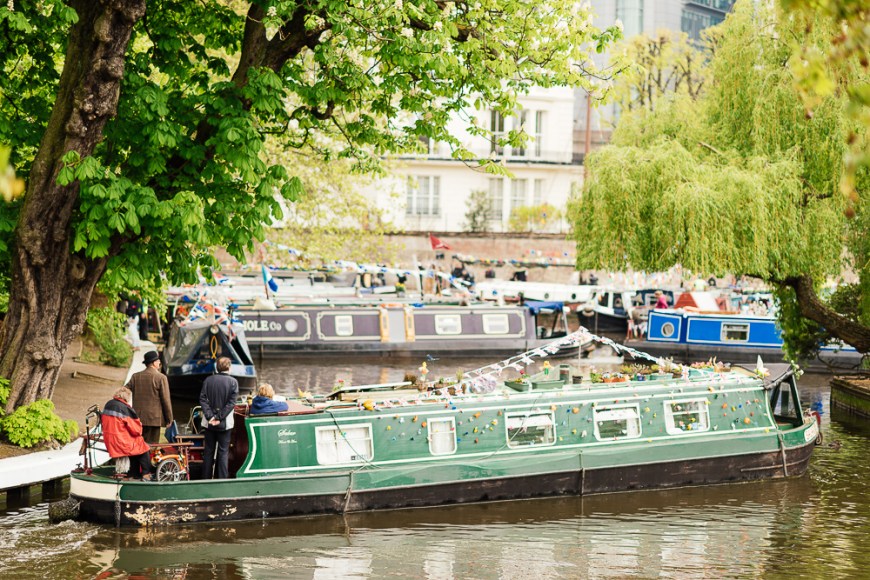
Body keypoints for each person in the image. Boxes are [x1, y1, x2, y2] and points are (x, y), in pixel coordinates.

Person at [199, 356, 239, 479]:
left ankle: (205, 479)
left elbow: (203, 399)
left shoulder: (208, 380)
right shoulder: (233, 382)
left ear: (217, 367)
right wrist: (219, 418)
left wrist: (211, 417)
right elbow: (231, 403)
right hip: (225, 424)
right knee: (223, 452)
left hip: (208, 423)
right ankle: (222, 479)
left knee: (208, 452)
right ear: (229, 367)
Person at [101, 387, 152, 480]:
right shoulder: (125, 408)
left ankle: (133, 474)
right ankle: (146, 474)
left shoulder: (108, 404)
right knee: (144, 448)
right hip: (120, 441)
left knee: (135, 449)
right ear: (127, 397)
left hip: (109, 440)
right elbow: (137, 430)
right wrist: (139, 423)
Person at [126, 350, 173, 444]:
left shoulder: (135, 376)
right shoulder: (161, 378)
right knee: (152, 445)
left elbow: (124, 391)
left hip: (138, 418)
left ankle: (140, 459)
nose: (160, 362)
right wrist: (169, 419)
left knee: (139, 444)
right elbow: (166, 400)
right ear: (153, 363)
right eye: (158, 360)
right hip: (154, 419)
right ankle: (148, 458)